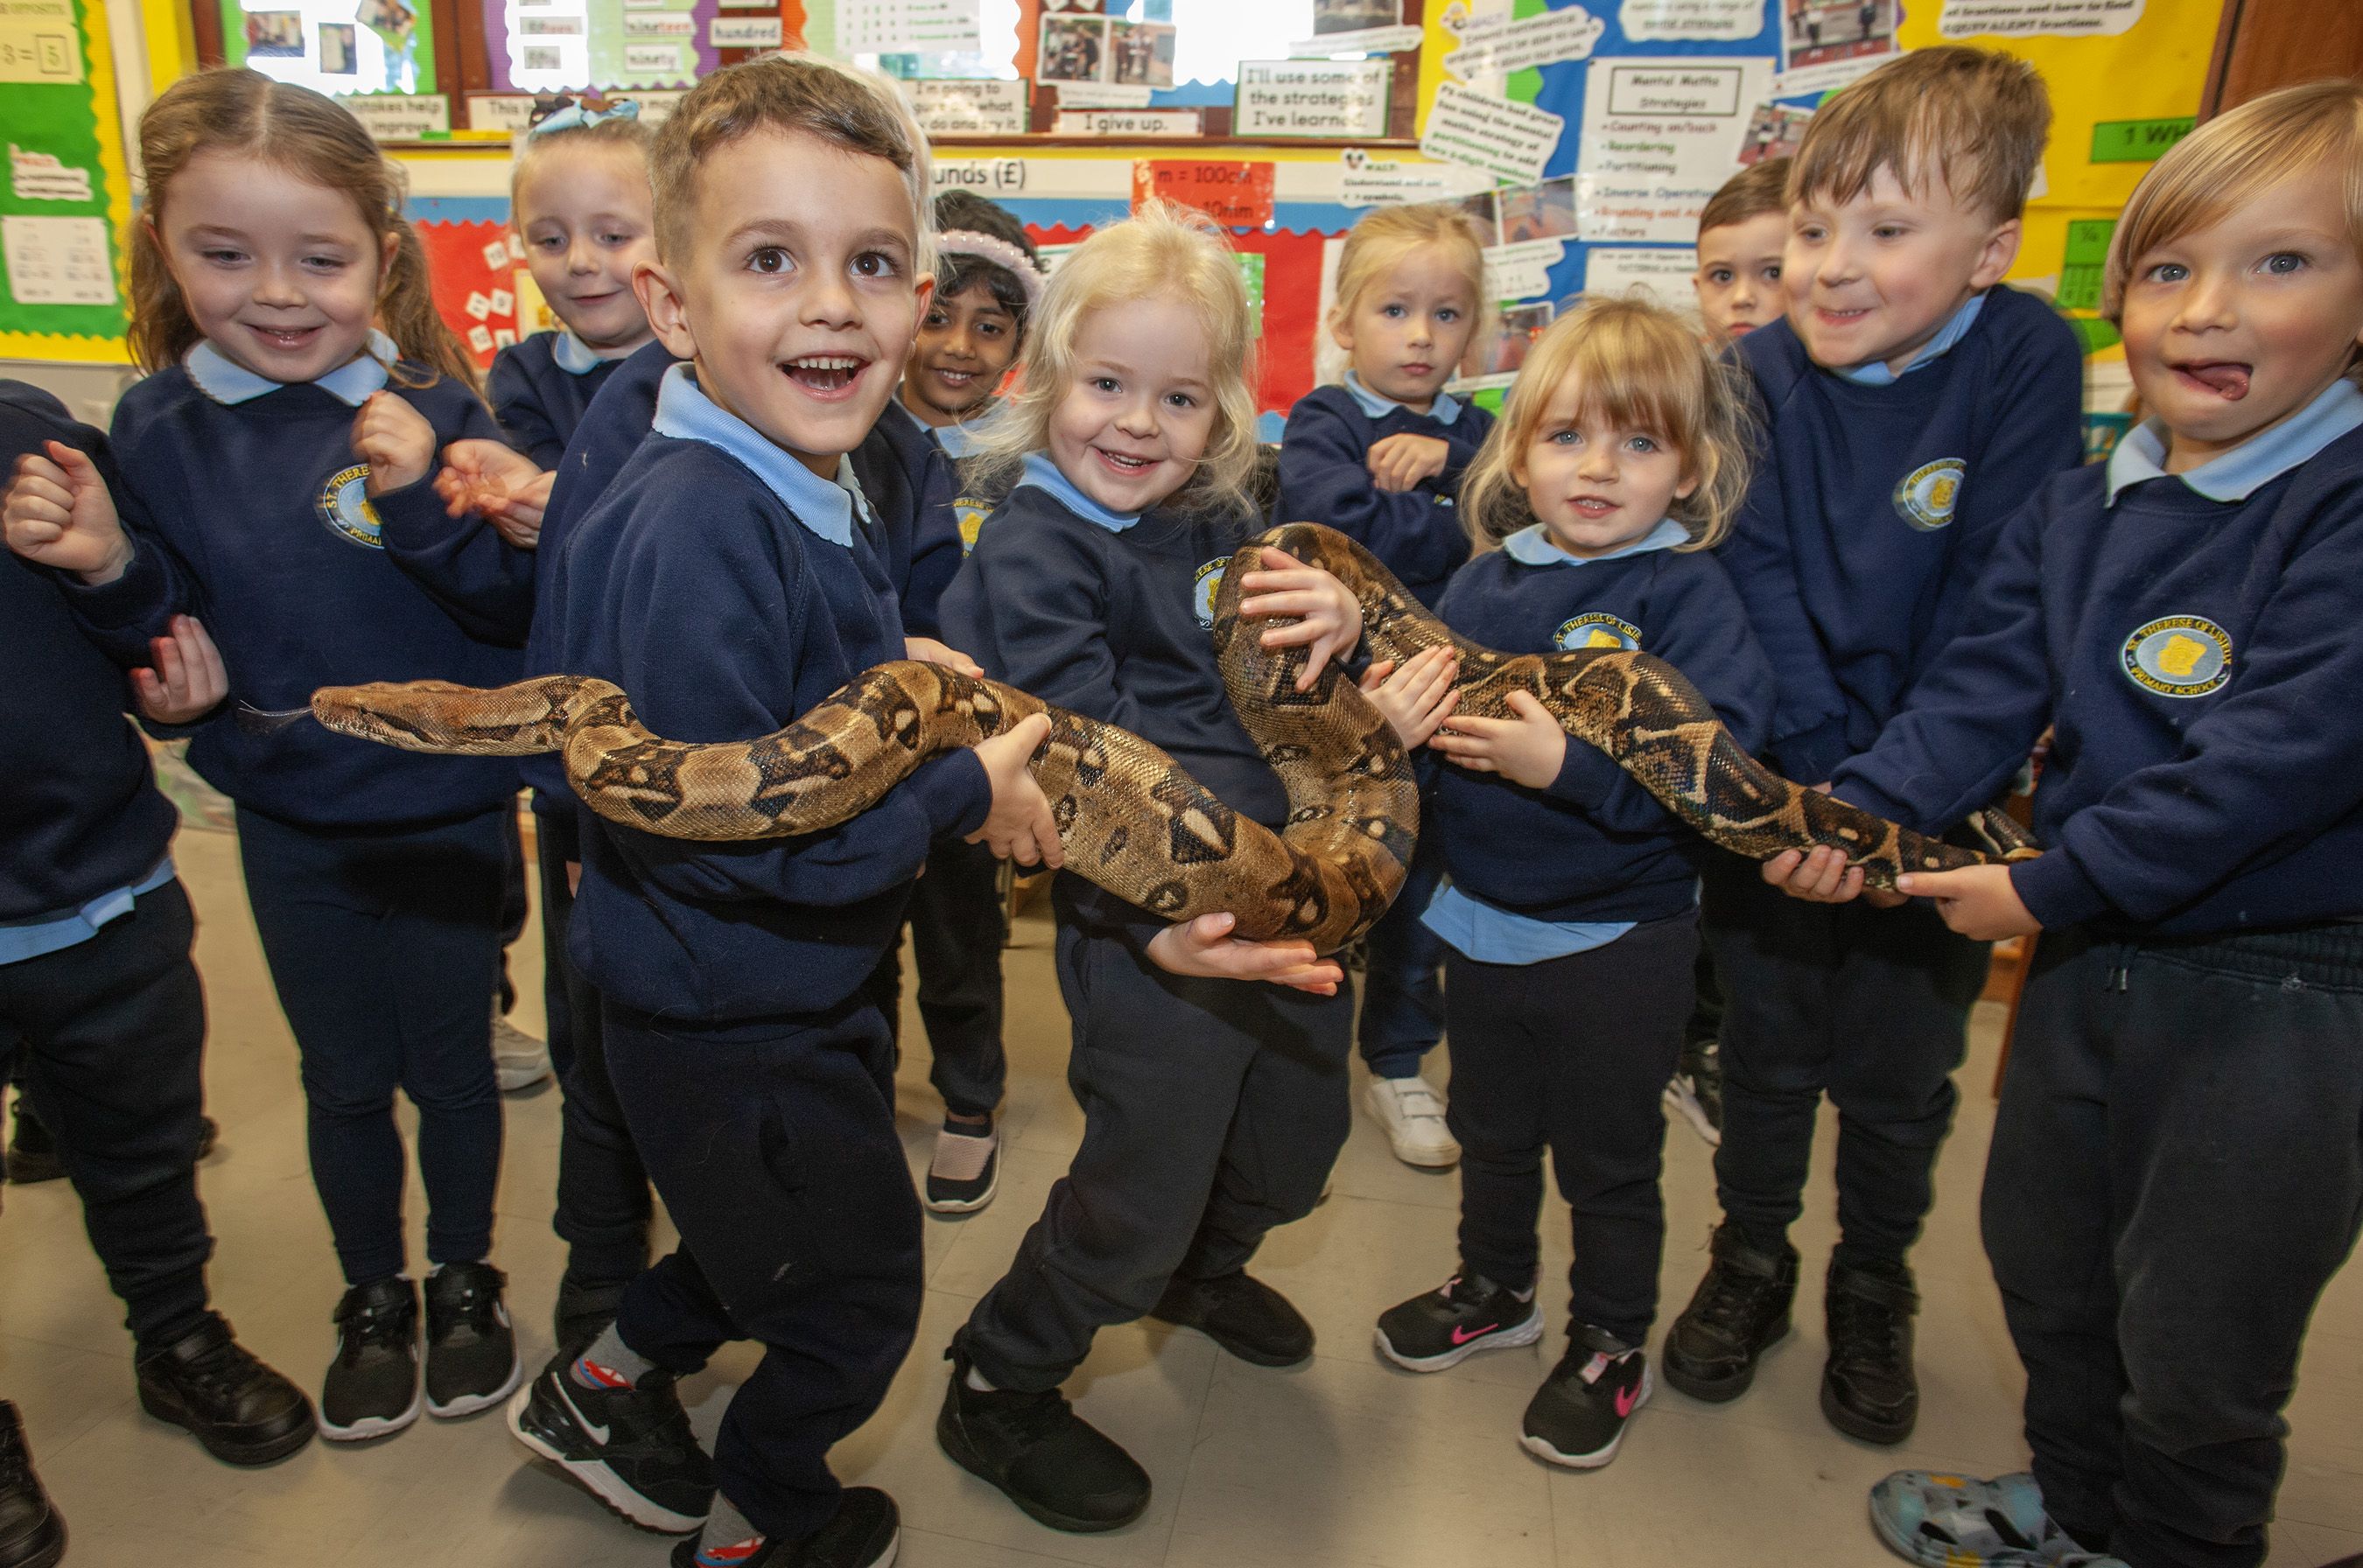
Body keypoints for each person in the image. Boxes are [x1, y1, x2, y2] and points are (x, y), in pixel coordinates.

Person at [1761, 81, 2363, 1568]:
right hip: (2098, 949)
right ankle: (2077, 1507)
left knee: (2203, 1333)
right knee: (2052, 1265)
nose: (2209, 310)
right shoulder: (2100, 498)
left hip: (2285, 986)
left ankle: (2173, 1543)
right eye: (2168, 269)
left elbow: (2285, 753)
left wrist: (2050, 876)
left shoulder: (2341, 503)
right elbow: (1991, 678)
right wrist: (1862, 811)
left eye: (2281, 263)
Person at [509, 55, 1060, 1568]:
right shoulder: (697, 526)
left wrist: (902, 663)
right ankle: (765, 1517)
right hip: (730, 1003)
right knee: (856, 1293)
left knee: (767, 1238)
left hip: (767, 992)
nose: (833, 304)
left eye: (873, 264)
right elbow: (760, 834)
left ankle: (603, 1384)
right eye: (772, 260)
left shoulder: (804, 470)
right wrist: (963, 788)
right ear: (673, 304)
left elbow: (801, 709)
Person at [1, 70, 537, 1445]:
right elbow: (158, 621)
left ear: (383, 254)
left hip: (446, 809)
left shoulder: (436, 403)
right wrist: (115, 574)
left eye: (321, 257)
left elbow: (506, 610)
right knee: (343, 1079)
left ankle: (467, 1277)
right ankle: (376, 1294)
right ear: (164, 254)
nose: (280, 294)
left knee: (455, 1070)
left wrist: (422, 495)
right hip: (291, 818)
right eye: (225, 254)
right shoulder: (155, 427)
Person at [1668, 45, 2084, 1446]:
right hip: (1780, 788)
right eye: (1813, 232)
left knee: (1904, 1080)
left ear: (1991, 250)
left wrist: (1889, 800)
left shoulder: (2029, 360)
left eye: (1888, 232)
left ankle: (1873, 1284)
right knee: (1767, 1057)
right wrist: (1811, 811)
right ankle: (1751, 1262)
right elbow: (1754, 581)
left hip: (1947, 799)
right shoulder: (1751, 375)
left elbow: (2008, 613)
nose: (1834, 267)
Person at [933, 202, 1370, 1534]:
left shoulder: (1222, 521)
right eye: (1107, 385)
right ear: (1048, 382)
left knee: (1298, 1149)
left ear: (1222, 406)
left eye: (1177, 397)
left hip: (1291, 899)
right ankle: (1002, 1380)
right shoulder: (1035, 546)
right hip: (1152, 933)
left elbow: (1331, 638)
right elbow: (1079, 761)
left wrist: (1346, 611)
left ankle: (1202, 1266)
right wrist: (1161, 925)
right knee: (1142, 1184)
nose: (1136, 424)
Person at [1361, 297, 1771, 1467]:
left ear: (1689, 469)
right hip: (1478, 924)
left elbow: (1723, 776)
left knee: (1607, 1159)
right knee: (1490, 1130)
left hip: (1617, 937)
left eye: (1639, 442)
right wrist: (1392, 727)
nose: (1599, 466)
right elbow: (1427, 725)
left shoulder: (1684, 594)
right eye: (1569, 436)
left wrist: (1572, 769)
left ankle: (1608, 1341)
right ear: (1520, 452)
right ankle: (1495, 1287)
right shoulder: (1482, 585)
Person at [0, 377, 314, 1472]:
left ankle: (177, 1332)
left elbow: (155, 630)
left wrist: (106, 567)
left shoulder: (31, 433)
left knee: (144, 1139)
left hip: (101, 887)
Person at [1276, 201, 1495, 1169]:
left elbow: (1532, 507)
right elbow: (1339, 532)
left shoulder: (1486, 432)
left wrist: (1456, 465)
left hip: (1460, 705)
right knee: (1336, 869)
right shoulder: (1323, 419)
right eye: (1395, 309)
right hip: (1350, 707)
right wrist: (1459, 516)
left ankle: (1399, 1062)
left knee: (1424, 887)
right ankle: (1297, 1042)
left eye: (1446, 315)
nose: (1421, 334)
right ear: (1343, 322)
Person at [477, 96, 663, 1095]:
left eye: (611, 234)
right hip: (563, 711)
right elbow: (525, 509)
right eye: (551, 239)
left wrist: (558, 500)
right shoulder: (520, 375)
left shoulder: (703, 369)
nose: (581, 262)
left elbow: (574, 507)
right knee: (579, 940)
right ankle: (589, 1093)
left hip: (674, 705)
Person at [873, 188, 1046, 1214]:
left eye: (992, 326)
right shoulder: (853, 430)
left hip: (977, 752)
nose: (960, 346)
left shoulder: (1031, 449)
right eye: (940, 314)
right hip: (865, 736)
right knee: (858, 935)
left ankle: (971, 1102)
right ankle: (856, 1093)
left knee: (960, 942)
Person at [1693, 157, 1790, 346]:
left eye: (1773, 273)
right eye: (1723, 276)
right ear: (1698, 288)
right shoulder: (1684, 374)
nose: (1742, 298)